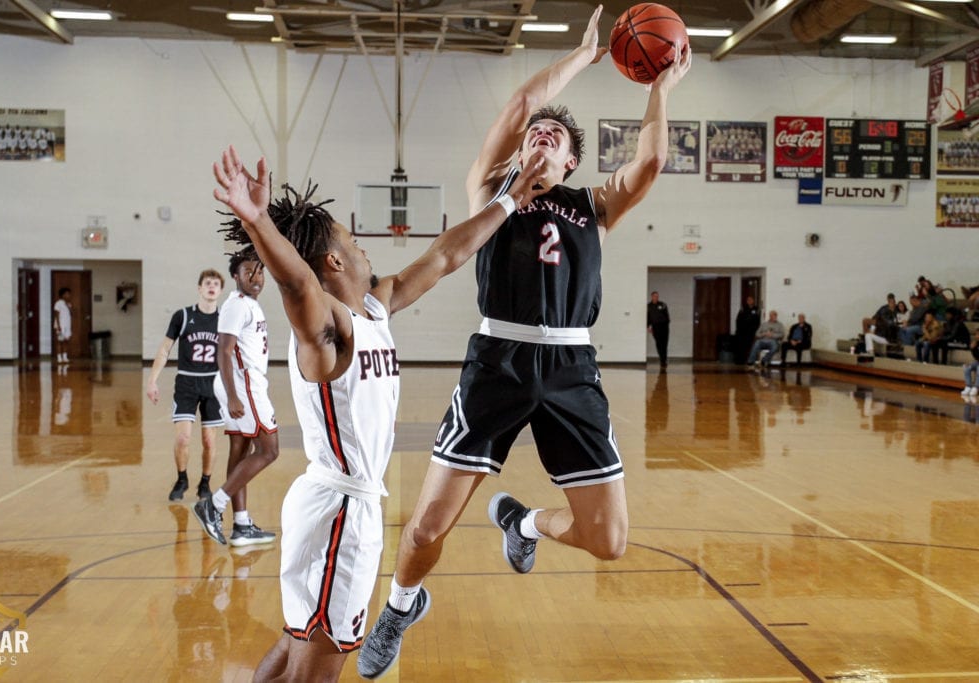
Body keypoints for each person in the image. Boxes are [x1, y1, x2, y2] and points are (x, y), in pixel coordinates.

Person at [358, 7, 691, 679]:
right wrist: (581, 56)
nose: (541, 137)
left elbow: (652, 158)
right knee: (425, 529)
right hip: (497, 361)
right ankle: (399, 606)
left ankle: (527, 524)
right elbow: (521, 101)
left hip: (572, 365)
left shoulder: (593, 207)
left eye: (555, 138)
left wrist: (660, 86)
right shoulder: (492, 188)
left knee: (610, 540)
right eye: (535, 133)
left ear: (571, 160)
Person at [211, 145, 549, 682]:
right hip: (339, 514)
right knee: (316, 669)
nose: (366, 250)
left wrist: (507, 203)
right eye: (355, 242)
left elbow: (442, 258)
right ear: (336, 262)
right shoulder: (328, 329)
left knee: (298, 643)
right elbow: (297, 282)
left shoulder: (373, 308)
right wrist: (256, 223)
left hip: (339, 509)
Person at [192, 253, 278, 548]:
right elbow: (224, 351)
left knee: (241, 451)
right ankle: (212, 505)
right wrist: (232, 395)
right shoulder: (236, 306)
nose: (256, 278)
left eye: (260, 273)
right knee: (269, 450)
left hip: (247, 384)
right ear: (236, 276)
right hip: (243, 387)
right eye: (248, 272)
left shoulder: (250, 304)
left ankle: (241, 524)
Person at [146, 269, 226, 501]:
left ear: (220, 291)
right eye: (207, 283)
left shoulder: (224, 320)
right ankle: (182, 479)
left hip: (213, 383)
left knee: (209, 440)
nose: (211, 287)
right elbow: (164, 350)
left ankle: (205, 483)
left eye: (216, 284)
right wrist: (152, 381)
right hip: (186, 382)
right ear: (199, 288)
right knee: (183, 438)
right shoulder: (182, 316)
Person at [646, 290, 670, 368]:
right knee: (659, 344)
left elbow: (667, 316)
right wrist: (648, 326)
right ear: (652, 297)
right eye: (655, 296)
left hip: (664, 327)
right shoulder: (648, 306)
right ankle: (662, 359)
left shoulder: (662, 305)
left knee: (664, 344)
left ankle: (664, 360)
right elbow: (648, 317)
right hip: (655, 328)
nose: (656, 297)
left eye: (657, 296)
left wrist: (665, 323)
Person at [734, 295, 761, 364]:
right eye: (748, 300)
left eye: (751, 300)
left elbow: (757, 321)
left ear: (753, 301)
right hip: (742, 331)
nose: (750, 301)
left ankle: (749, 360)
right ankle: (740, 361)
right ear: (746, 301)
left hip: (751, 331)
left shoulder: (756, 309)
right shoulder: (743, 309)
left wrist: (756, 330)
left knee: (749, 346)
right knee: (741, 346)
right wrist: (738, 329)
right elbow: (738, 320)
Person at [52, 287, 72, 365]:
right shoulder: (58, 303)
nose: (68, 295)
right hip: (60, 325)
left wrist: (68, 306)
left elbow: (71, 314)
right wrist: (58, 325)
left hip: (67, 324)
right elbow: (56, 315)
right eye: (67, 294)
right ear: (63, 295)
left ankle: (65, 357)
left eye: (69, 294)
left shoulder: (69, 303)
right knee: (59, 341)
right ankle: (59, 358)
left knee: (66, 341)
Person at [962, 327, 979, 397]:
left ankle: (976, 387)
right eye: (976, 334)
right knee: (967, 367)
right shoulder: (976, 343)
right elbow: (977, 357)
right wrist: (973, 349)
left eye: (978, 334)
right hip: (978, 361)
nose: (976, 336)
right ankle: (968, 386)